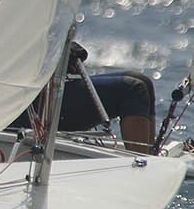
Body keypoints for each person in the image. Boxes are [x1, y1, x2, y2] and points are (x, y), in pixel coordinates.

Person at [11, 42, 156, 154]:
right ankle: (139, 165)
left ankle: (149, 159)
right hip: (19, 106)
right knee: (133, 90)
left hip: (34, 92)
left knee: (143, 82)